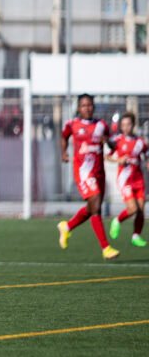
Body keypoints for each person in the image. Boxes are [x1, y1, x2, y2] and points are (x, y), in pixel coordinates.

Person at [57, 94, 119, 260]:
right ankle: (105, 248)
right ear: (78, 108)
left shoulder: (101, 125)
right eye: (84, 105)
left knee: (94, 208)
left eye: (90, 105)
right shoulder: (72, 124)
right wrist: (63, 152)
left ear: (93, 107)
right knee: (96, 201)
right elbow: (63, 136)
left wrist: (108, 142)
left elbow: (113, 144)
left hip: (99, 172)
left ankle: (67, 226)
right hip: (83, 172)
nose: (87, 108)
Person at [107, 112, 147, 247]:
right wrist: (118, 159)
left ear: (133, 125)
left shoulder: (140, 142)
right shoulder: (118, 140)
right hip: (125, 179)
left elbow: (147, 154)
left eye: (128, 124)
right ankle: (117, 221)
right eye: (123, 125)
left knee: (141, 210)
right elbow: (107, 156)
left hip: (138, 179)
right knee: (132, 209)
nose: (125, 127)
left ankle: (136, 235)